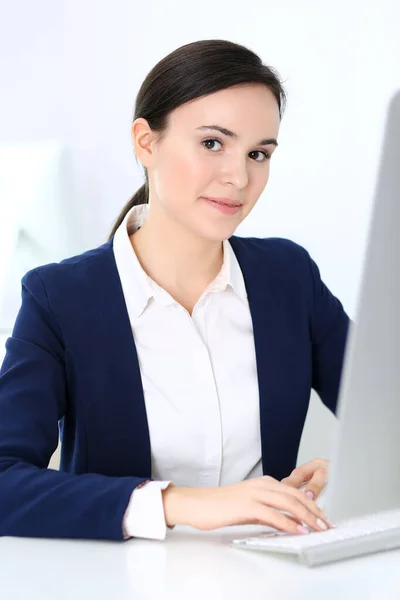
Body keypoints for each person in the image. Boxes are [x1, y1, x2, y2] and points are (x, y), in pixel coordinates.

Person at [0, 39, 349, 542]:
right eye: (212, 143)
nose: (238, 176)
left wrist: (352, 473)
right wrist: (179, 504)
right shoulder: (60, 298)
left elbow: (385, 415)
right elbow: (5, 481)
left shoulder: (288, 277)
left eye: (258, 153)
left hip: (273, 575)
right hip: (122, 582)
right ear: (146, 142)